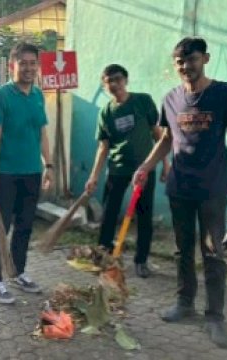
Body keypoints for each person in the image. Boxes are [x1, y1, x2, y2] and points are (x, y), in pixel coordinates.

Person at [133, 37, 227, 348]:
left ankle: (214, 317)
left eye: (193, 60)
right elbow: (166, 139)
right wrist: (146, 166)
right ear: (175, 65)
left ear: (205, 59)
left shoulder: (225, 93)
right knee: (182, 249)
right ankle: (184, 303)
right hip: (180, 188)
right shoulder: (170, 98)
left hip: (212, 189)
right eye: (180, 62)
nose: (186, 66)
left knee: (213, 252)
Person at [0, 42, 53, 304]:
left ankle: (18, 271)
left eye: (32, 63)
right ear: (13, 65)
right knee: (0, 228)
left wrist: (50, 165)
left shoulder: (37, 96)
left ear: (37, 66)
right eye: (23, 63)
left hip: (32, 172)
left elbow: (42, 133)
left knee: (24, 226)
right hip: (6, 173)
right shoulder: (1, 95)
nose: (28, 68)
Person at [85, 64, 169, 278]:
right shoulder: (105, 112)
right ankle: (103, 256)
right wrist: (93, 176)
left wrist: (166, 164)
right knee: (109, 215)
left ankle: (141, 261)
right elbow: (103, 147)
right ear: (104, 85)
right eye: (108, 81)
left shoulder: (142, 101)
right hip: (117, 171)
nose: (114, 84)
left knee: (144, 216)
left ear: (126, 80)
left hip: (144, 170)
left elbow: (158, 134)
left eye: (118, 79)